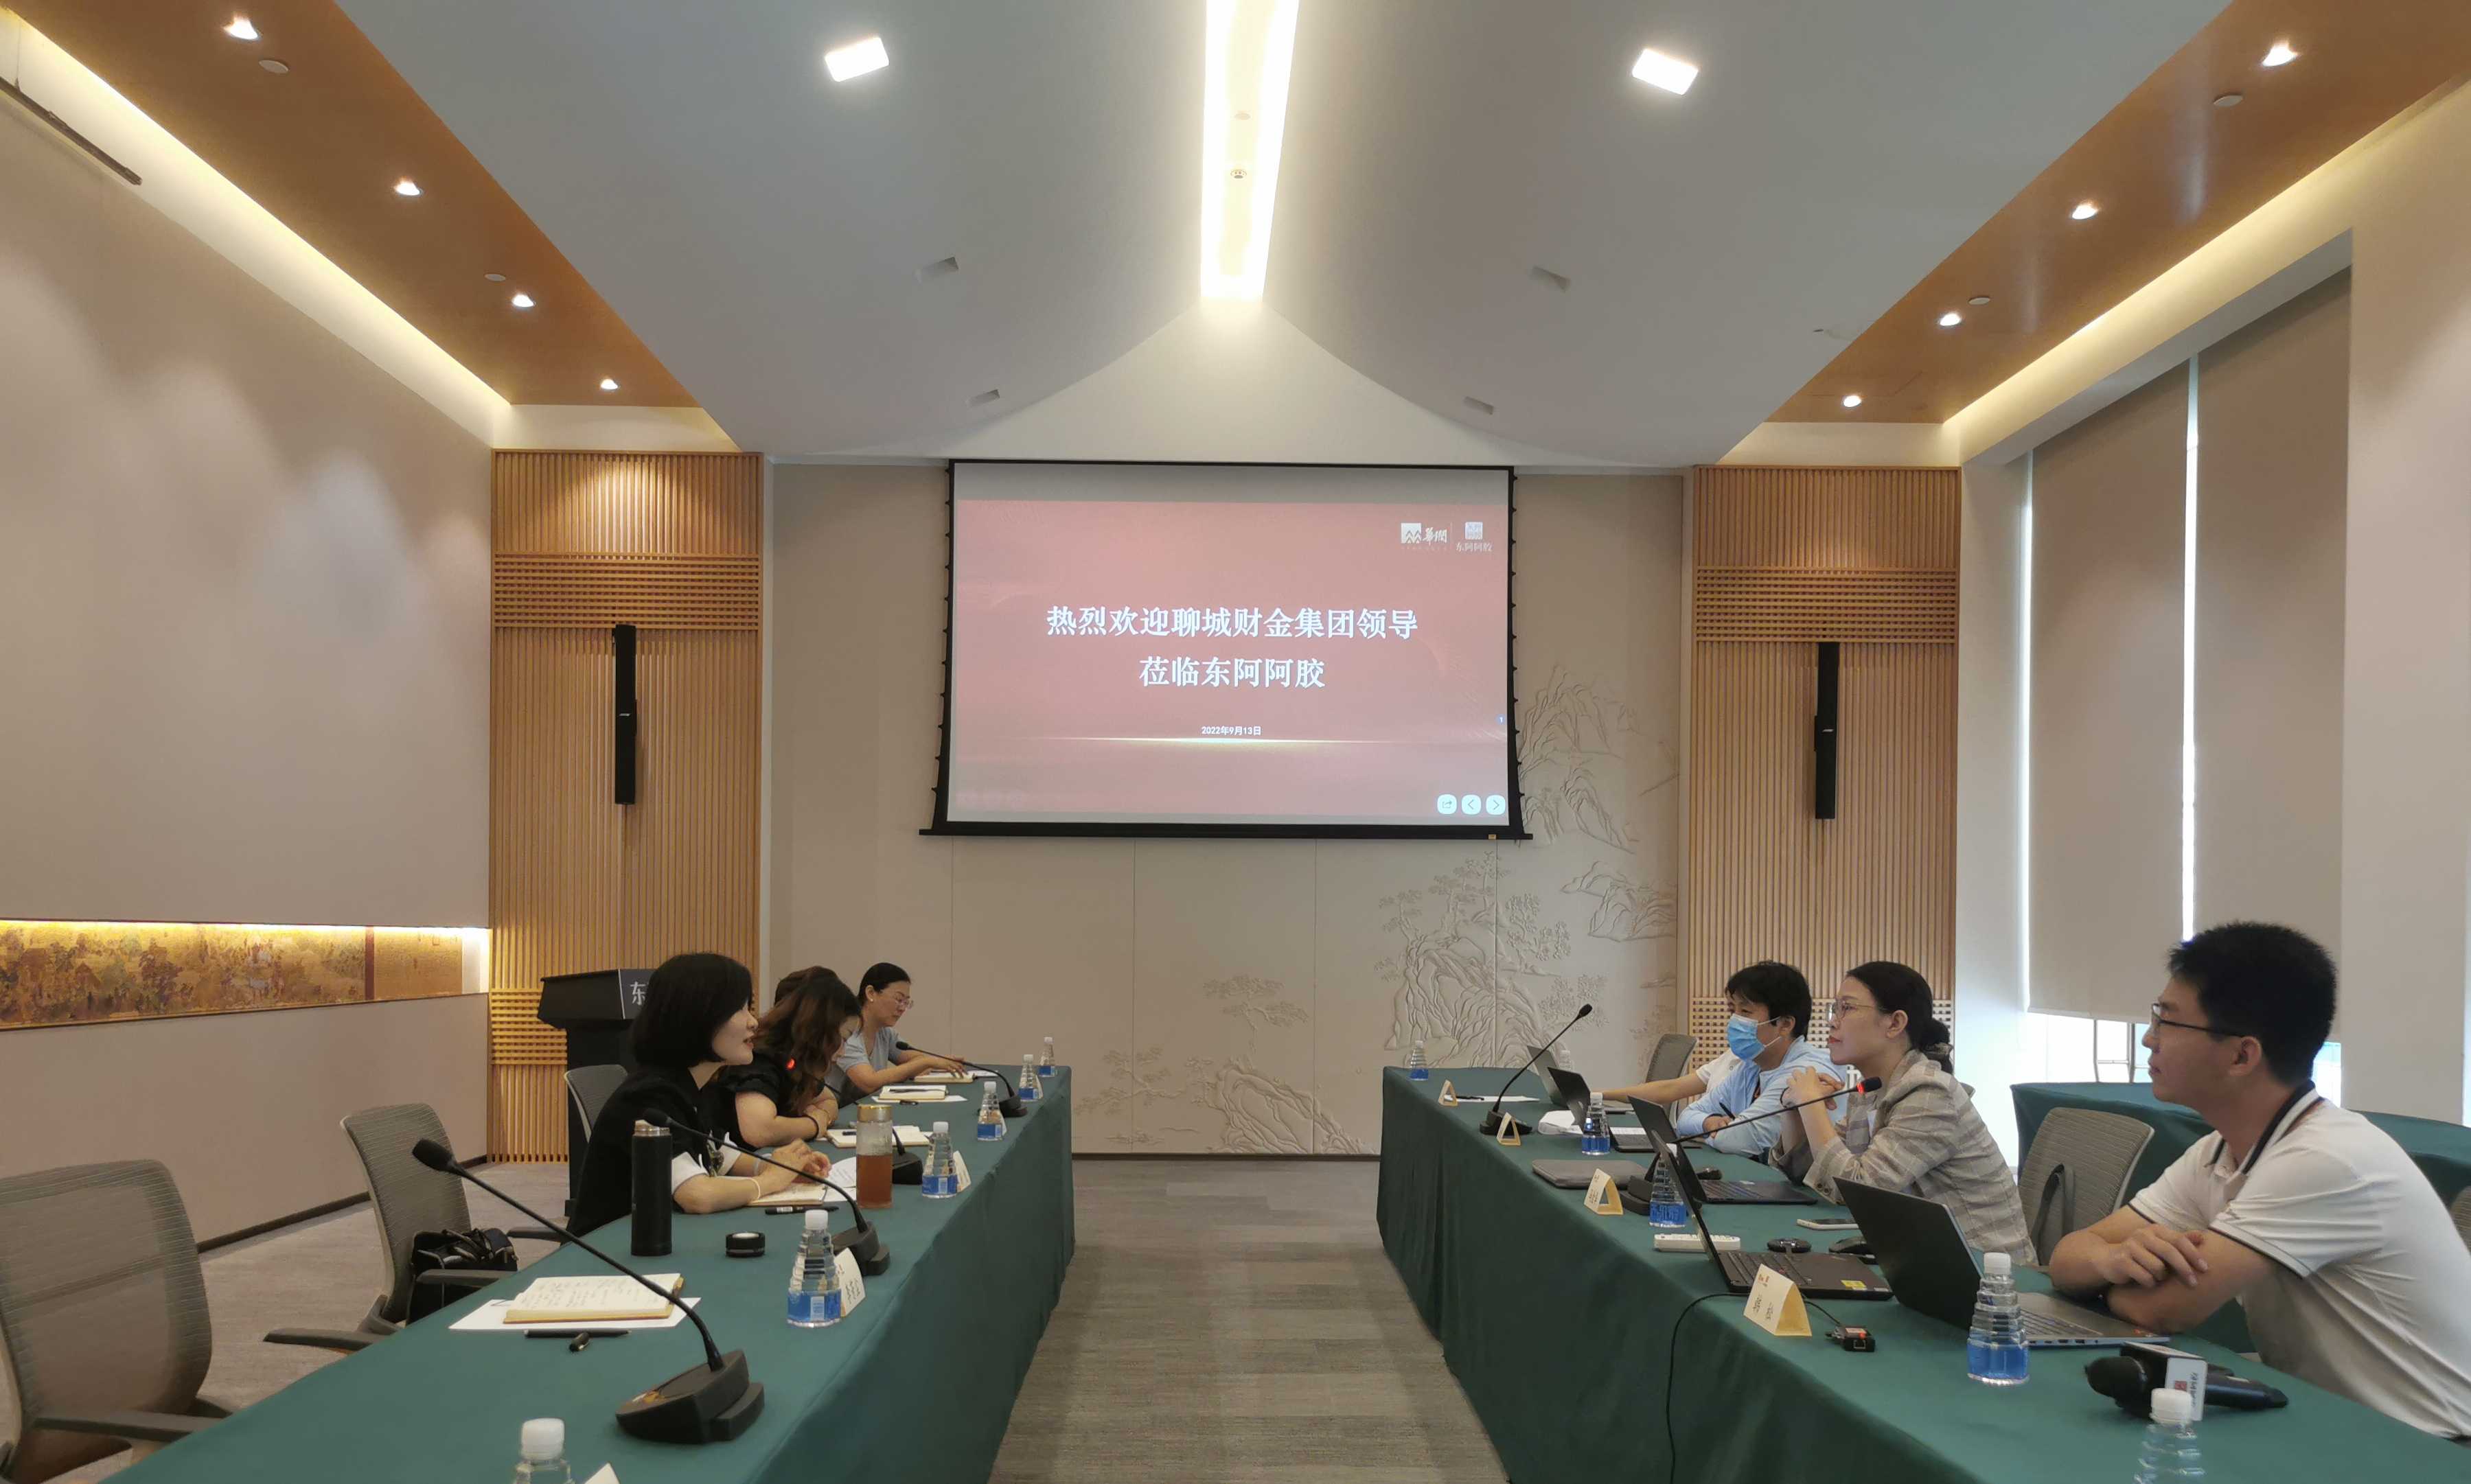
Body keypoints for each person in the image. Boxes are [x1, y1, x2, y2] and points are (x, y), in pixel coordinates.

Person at [2048, 924, 2471, 1440]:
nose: (2148, 1037)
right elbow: (2068, 1257)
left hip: (2432, 1447)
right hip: (2325, 1421)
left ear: (2242, 1056)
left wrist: (2107, 1282)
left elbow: (2165, 1309)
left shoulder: (2325, 1160)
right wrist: (2110, 1260)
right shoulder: (2219, 1150)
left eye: (2167, 1020)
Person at [1773, 960, 2032, 1264]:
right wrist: (1795, 1108)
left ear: (1895, 1023)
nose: (1832, 1022)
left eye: (1847, 1008)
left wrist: (1813, 1106)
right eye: (1834, 1009)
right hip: (1922, 1256)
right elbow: (1807, 1172)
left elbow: (1858, 1189)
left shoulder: (1931, 1094)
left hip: (1990, 1272)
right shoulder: (1870, 1090)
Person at [571, 953, 830, 1235]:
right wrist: (770, 1181)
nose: (753, 1022)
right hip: (606, 1251)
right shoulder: (649, 1096)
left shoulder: (695, 1084)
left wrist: (780, 1165)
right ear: (698, 1017)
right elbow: (696, 1195)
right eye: (739, 1009)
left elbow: (721, 1157)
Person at [1670, 962, 1840, 1158]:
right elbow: (1686, 1117)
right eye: (1733, 1011)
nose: (1733, 1021)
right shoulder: (1752, 1065)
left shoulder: (1805, 1071)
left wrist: (1714, 1134)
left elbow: (1736, 1141)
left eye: (1745, 1012)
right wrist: (1708, 1123)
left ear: (1785, 1024)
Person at [722, 965, 864, 1149]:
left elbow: (828, 1101)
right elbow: (761, 1131)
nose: (843, 1051)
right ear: (820, 1030)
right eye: (843, 1039)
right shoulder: (757, 1058)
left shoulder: (792, 1061)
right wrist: (814, 1124)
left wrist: (821, 1115)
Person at [833, 962, 967, 1096]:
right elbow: (870, 1082)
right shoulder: (848, 1033)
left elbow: (916, 1058)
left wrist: (931, 1062)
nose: (902, 1008)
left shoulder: (884, 1032)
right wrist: (928, 1062)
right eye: (898, 999)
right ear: (871, 993)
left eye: (906, 1002)